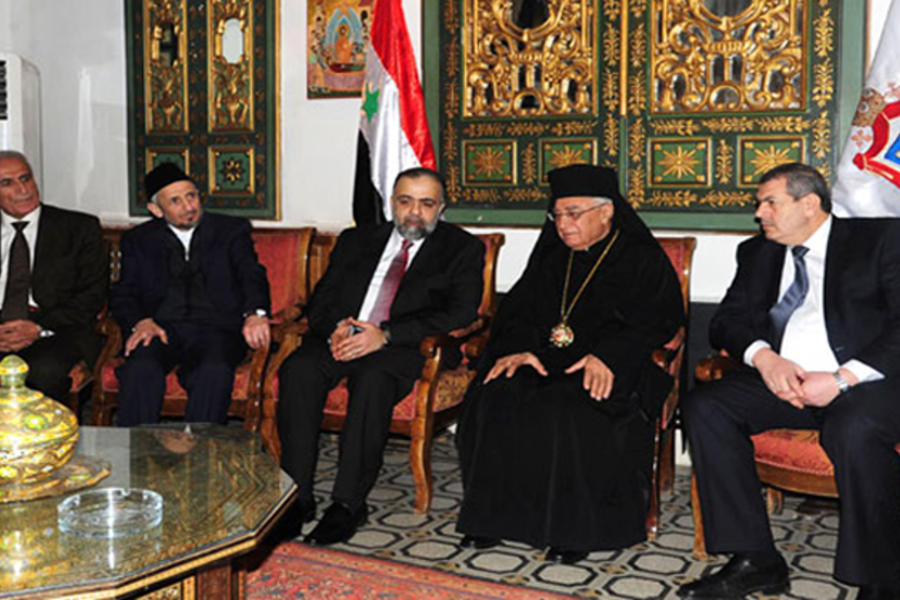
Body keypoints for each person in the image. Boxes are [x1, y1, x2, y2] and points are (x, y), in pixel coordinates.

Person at [679, 163, 900, 600]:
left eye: (770, 202)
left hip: (864, 384)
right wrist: (765, 359)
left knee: (853, 429)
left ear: (809, 204)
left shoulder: (880, 242)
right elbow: (726, 323)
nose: (759, 213)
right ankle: (754, 560)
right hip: (785, 381)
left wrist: (842, 378)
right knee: (706, 406)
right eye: (759, 204)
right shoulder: (758, 253)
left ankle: (882, 578)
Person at [455, 164, 684, 564]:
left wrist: (609, 355)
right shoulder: (550, 257)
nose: (563, 224)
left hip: (613, 365)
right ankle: (494, 518)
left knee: (571, 409)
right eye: (557, 215)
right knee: (495, 395)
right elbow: (518, 315)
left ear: (607, 211)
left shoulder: (642, 259)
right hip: (543, 360)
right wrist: (521, 349)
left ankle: (575, 529)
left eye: (573, 213)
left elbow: (661, 322)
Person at [276, 167, 484, 546]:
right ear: (392, 203)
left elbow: (461, 313)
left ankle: (348, 504)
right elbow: (320, 299)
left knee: (372, 379)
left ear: (442, 208)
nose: (414, 213)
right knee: (299, 370)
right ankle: (296, 497)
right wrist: (337, 325)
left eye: (426, 203)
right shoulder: (357, 240)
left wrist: (385, 335)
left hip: (405, 346)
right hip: (343, 336)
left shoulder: (462, 249)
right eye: (405, 202)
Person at [110, 162, 270, 426]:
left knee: (213, 371)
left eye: (192, 196)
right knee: (140, 369)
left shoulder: (231, 230)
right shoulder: (138, 240)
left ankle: (202, 455)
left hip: (216, 329)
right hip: (160, 328)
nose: (189, 206)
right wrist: (141, 321)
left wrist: (256, 313)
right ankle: (136, 456)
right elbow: (123, 291)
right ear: (156, 210)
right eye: (175, 201)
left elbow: (251, 274)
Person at [0, 150, 107, 402]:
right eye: (7, 183)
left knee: (42, 372)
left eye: (25, 178)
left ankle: (41, 441)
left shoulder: (78, 228)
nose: (23, 189)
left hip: (56, 331)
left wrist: (37, 327)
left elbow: (92, 297)